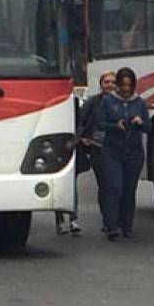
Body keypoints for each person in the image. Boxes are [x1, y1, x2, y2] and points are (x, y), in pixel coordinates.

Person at [58, 70, 118, 236]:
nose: (110, 85)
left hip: (108, 148)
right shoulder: (93, 102)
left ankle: (109, 221)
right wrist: (81, 139)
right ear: (101, 84)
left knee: (106, 185)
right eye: (107, 82)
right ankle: (69, 219)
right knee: (70, 183)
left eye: (113, 82)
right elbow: (81, 122)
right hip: (88, 146)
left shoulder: (120, 103)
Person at [95, 67, 151, 240]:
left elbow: (149, 127)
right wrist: (115, 125)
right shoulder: (108, 102)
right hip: (112, 150)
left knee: (129, 190)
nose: (126, 90)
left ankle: (126, 225)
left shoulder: (139, 103)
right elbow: (100, 122)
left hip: (134, 152)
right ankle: (111, 226)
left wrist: (140, 122)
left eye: (129, 86)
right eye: (123, 85)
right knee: (114, 187)